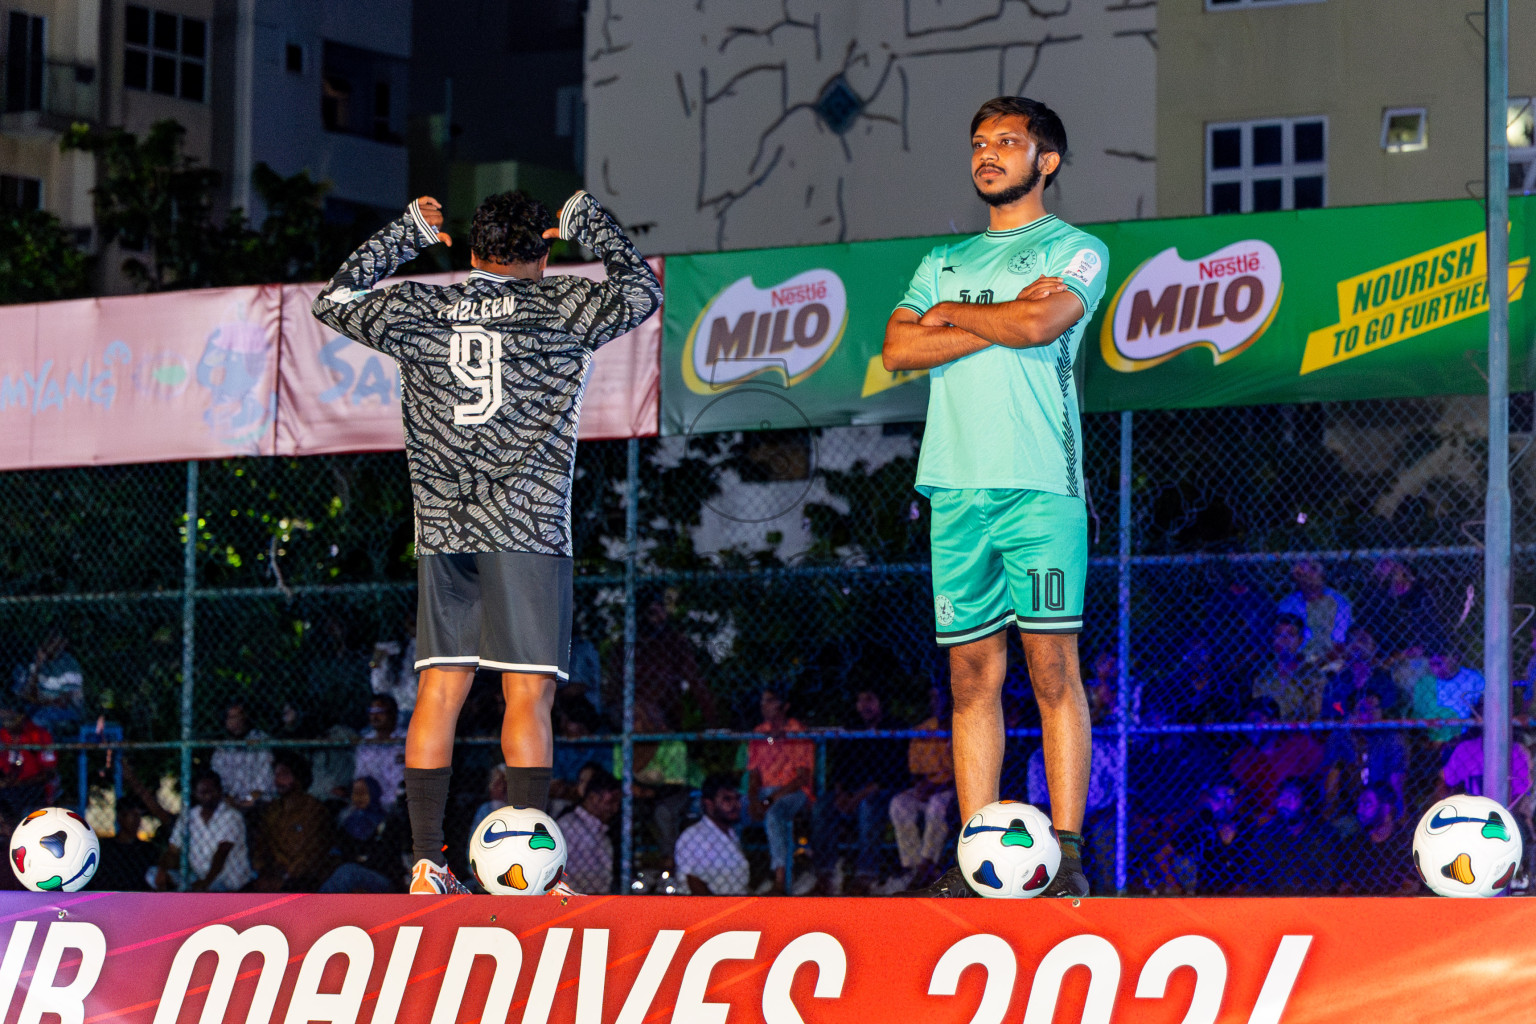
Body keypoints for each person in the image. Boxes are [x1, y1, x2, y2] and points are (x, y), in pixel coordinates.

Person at [311, 186, 661, 895]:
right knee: (526, 697)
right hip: (527, 530)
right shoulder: (564, 306)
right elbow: (640, 290)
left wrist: (406, 231)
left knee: (439, 690)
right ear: (544, 248)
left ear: (471, 250)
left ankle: (424, 862)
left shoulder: (421, 309)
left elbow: (334, 300)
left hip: (445, 533)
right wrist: (591, 222)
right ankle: (537, 870)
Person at [881, 95, 1109, 898]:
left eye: (1008, 142)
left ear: (1046, 161)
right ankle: (980, 860)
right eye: (980, 142)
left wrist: (960, 317)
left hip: (1041, 487)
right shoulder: (941, 258)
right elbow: (901, 345)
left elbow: (1045, 323)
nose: (988, 153)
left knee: (1053, 671)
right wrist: (991, 315)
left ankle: (1071, 852)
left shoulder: (1078, 248)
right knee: (972, 679)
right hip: (955, 488)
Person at [812, 687, 905, 894]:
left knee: (868, 806)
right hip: (852, 791)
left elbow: (890, 774)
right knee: (822, 806)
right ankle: (824, 874)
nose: (865, 705)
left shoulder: (894, 727)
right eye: (860, 700)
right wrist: (840, 793)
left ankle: (866, 875)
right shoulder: (852, 728)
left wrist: (856, 798)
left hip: (883, 790)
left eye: (870, 698)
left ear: (881, 702)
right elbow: (839, 768)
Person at [745, 688, 815, 895]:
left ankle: (780, 880)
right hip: (765, 791)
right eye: (763, 701)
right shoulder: (759, 732)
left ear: (785, 706)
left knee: (775, 815)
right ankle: (737, 876)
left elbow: (802, 777)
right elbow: (753, 773)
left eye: (770, 701)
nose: (764, 706)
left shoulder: (798, 732)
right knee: (731, 809)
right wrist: (752, 799)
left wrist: (769, 800)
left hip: (792, 792)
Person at [889, 688, 957, 892]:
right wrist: (922, 787)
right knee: (900, 804)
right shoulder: (923, 730)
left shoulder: (964, 728)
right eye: (934, 698)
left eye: (943, 697)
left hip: (952, 791)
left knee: (938, 805)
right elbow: (916, 773)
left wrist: (936, 786)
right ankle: (913, 867)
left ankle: (927, 863)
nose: (939, 702)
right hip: (929, 787)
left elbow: (965, 776)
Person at [152, 770, 254, 893]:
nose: (208, 796)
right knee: (152, 874)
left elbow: (222, 852)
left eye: (212, 791)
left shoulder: (231, 816)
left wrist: (206, 882)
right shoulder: (188, 817)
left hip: (228, 882)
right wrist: (162, 870)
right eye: (203, 792)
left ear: (220, 791)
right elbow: (173, 850)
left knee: (211, 888)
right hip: (199, 879)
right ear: (195, 794)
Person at [253, 754, 337, 892]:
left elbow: (312, 854)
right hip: (275, 874)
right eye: (276, 774)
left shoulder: (315, 810)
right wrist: (264, 870)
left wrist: (287, 874)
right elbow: (260, 846)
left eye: (284, 774)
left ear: (298, 778)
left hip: (305, 877)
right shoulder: (272, 810)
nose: (277, 780)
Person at [321, 776, 409, 894]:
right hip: (355, 870)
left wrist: (359, 857)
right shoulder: (348, 819)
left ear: (374, 793)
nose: (359, 797)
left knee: (348, 873)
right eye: (355, 793)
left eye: (363, 793)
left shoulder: (387, 821)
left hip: (382, 876)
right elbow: (340, 848)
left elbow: (385, 857)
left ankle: (316, 907)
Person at [1248, 778, 1332, 895]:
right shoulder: (1264, 836)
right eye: (1281, 798)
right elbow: (1253, 880)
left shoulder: (1322, 835)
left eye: (1291, 798)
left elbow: (1328, 878)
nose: (1283, 803)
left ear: (1306, 805)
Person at [1334, 784, 1418, 895]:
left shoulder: (1406, 842)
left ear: (1386, 808)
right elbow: (1345, 887)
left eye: (1367, 803)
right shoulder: (1352, 845)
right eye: (1359, 804)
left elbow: (1411, 886)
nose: (1359, 810)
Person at [675, 774, 750, 896]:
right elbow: (694, 882)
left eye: (737, 798)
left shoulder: (731, 833)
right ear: (709, 803)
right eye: (727, 799)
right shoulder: (694, 836)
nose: (735, 805)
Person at [1276, 559, 1352, 665]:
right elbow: (1282, 643)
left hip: (1330, 662)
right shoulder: (1288, 605)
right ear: (1296, 575)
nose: (1308, 575)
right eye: (1303, 570)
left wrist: (1316, 665)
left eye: (1313, 569)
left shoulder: (1338, 602)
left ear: (1323, 574)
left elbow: (1339, 645)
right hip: (1295, 662)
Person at [1250, 615, 1323, 722]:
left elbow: (1315, 713)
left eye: (1290, 634)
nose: (1284, 640)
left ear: (1300, 640)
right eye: (1279, 634)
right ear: (1272, 639)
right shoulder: (1261, 675)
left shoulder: (1314, 674)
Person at [559, 769, 622, 895]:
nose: (615, 809)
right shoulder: (569, 826)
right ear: (593, 798)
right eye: (611, 801)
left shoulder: (598, 830)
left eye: (618, 803)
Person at [12, 630, 84, 734]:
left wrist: (41, 700)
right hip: (35, 709)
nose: (54, 645)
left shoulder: (69, 663)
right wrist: (37, 666)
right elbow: (24, 694)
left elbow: (66, 700)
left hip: (64, 711)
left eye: (57, 641)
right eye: (50, 640)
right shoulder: (27, 661)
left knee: (43, 717)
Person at [0, 694, 58, 819]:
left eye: (11, 715)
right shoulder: (2, 735)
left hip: (33, 787)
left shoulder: (40, 735)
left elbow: (50, 772)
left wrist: (20, 782)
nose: (6, 719)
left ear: (21, 716)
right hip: (6, 787)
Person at [209, 699, 274, 809]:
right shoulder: (222, 749)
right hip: (230, 804)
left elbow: (264, 777)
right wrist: (230, 800)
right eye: (231, 717)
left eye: (239, 716)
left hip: (259, 803)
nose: (236, 721)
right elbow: (219, 780)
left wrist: (250, 800)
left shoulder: (260, 740)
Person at [92, 797, 158, 892]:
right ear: (121, 817)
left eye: (139, 816)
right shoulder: (105, 848)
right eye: (133, 815)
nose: (137, 820)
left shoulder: (148, 849)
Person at [355, 694, 407, 810]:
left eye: (380, 711)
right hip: (374, 804)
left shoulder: (410, 739)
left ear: (393, 714)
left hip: (404, 803)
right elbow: (360, 778)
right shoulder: (365, 743)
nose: (375, 716)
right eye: (371, 712)